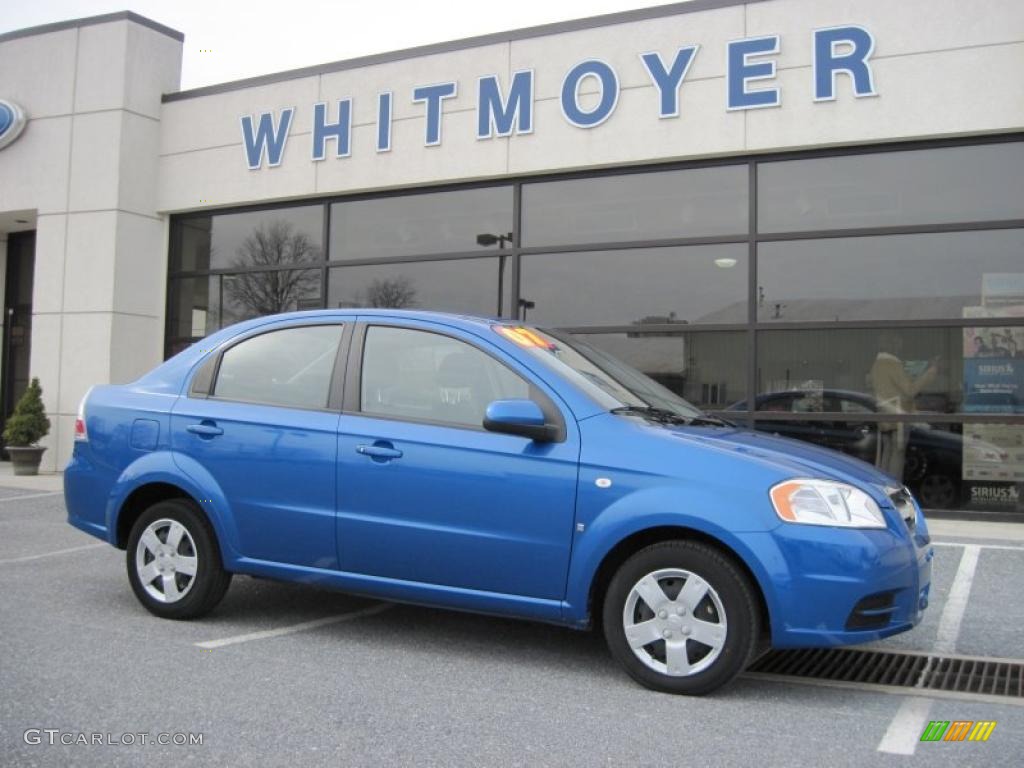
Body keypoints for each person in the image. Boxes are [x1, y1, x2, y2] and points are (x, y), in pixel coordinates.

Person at [869, 331, 938, 482]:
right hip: (898, 416)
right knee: (897, 454)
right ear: (892, 344)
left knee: (887, 452)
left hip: (884, 416)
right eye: (898, 343)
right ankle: (893, 486)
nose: (900, 347)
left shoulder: (877, 365)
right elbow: (910, 391)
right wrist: (930, 373)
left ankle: (882, 485)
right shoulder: (892, 364)